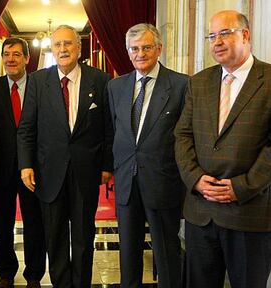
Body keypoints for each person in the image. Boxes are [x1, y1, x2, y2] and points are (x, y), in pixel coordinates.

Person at [175, 10, 271, 288]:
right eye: (211, 36)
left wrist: (242, 186)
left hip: (248, 213)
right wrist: (194, 178)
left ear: (245, 35)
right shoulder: (199, 82)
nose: (216, 41)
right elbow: (182, 134)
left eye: (224, 33)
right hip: (200, 213)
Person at [17, 25, 113, 287]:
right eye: (57, 44)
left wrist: (107, 166)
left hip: (86, 172)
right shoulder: (38, 81)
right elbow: (26, 128)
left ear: (79, 48)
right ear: (52, 48)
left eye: (68, 44)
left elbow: (108, 128)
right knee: (55, 237)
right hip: (49, 173)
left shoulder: (100, 80)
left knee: (83, 237)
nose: (63, 49)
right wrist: (26, 165)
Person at [107, 24, 187, 288]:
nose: (140, 53)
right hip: (127, 183)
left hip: (163, 182)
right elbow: (113, 131)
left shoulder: (180, 85)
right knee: (128, 251)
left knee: (166, 252)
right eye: (134, 48)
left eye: (146, 47)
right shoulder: (116, 87)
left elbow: (186, 136)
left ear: (159, 49)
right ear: (128, 52)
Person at [0, 37, 46, 288]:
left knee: (35, 221)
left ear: (26, 58)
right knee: (2, 221)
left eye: (16, 54)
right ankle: (5, 272)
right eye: (6, 54)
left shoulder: (39, 86)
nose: (10, 59)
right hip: (2, 168)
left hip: (33, 167)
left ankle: (34, 273)